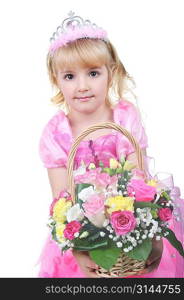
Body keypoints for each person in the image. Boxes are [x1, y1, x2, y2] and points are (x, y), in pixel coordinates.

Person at [37, 12, 184, 278]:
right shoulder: (56, 133)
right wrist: (79, 250)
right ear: (55, 79)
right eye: (69, 76)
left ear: (111, 72)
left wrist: (151, 236)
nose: (82, 86)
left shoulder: (124, 118)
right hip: (84, 235)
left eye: (93, 73)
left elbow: (140, 184)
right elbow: (62, 201)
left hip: (132, 226)